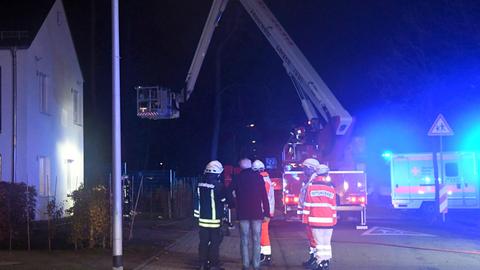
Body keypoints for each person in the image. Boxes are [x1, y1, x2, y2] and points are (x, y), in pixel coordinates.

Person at [230, 158, 270, 270]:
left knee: (244, 240)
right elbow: (264, 197)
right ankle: (256, 265)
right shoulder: (258, 177)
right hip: (257, 213)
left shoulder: (237, 178)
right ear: (250, 166)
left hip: (242, 214)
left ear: (240, 167)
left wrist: (232, 204)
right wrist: (267, 213)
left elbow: (228, 192)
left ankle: (245, 265)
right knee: (257, 239)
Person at [301, 160, 337, 270]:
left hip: (315, 219)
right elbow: (333, 205)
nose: (304, 171)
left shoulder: (312, 186)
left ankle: (320, 263)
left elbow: (307, 203)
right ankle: (325, 262)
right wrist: (334, 219)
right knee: (326, 244)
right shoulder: (331, 188)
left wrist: (304, 217)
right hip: (328, 221)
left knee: (319, 243)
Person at [194, 160, 227, 270]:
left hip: (202, 220)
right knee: (214, 243)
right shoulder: (219, 186)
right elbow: (223, 200)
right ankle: (213, 265)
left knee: (203, 242)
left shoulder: (200, 185)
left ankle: (202, 264)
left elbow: (196, 201)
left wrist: (197, 216)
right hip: (215, 221)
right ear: (217, 173)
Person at [252, 160, 275, 266]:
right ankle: (264, 254)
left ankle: (265, 256)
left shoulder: (263, 180)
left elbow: (261, 197)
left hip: (263, 211)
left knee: (262, 233)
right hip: (265, 210)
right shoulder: (265, 178)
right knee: (261, 233)